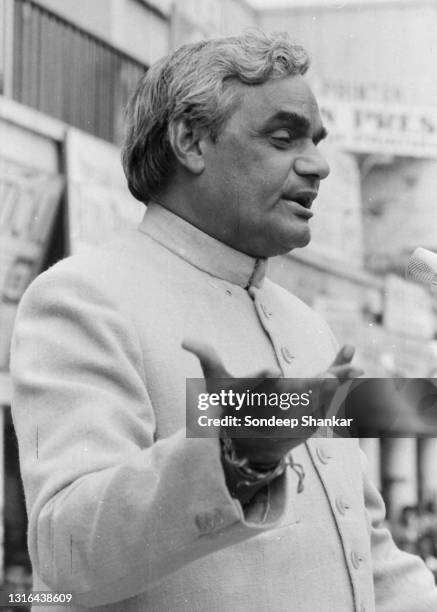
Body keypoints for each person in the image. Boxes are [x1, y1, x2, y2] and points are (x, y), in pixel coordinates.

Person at [10, 30, 437, 611]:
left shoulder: (308, 326)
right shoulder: (84, 298)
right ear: (190, 140)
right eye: (284, 137)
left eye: (316, 141)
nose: (318, 165)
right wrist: (231, 461)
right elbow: (64, 557)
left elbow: (365, 552)